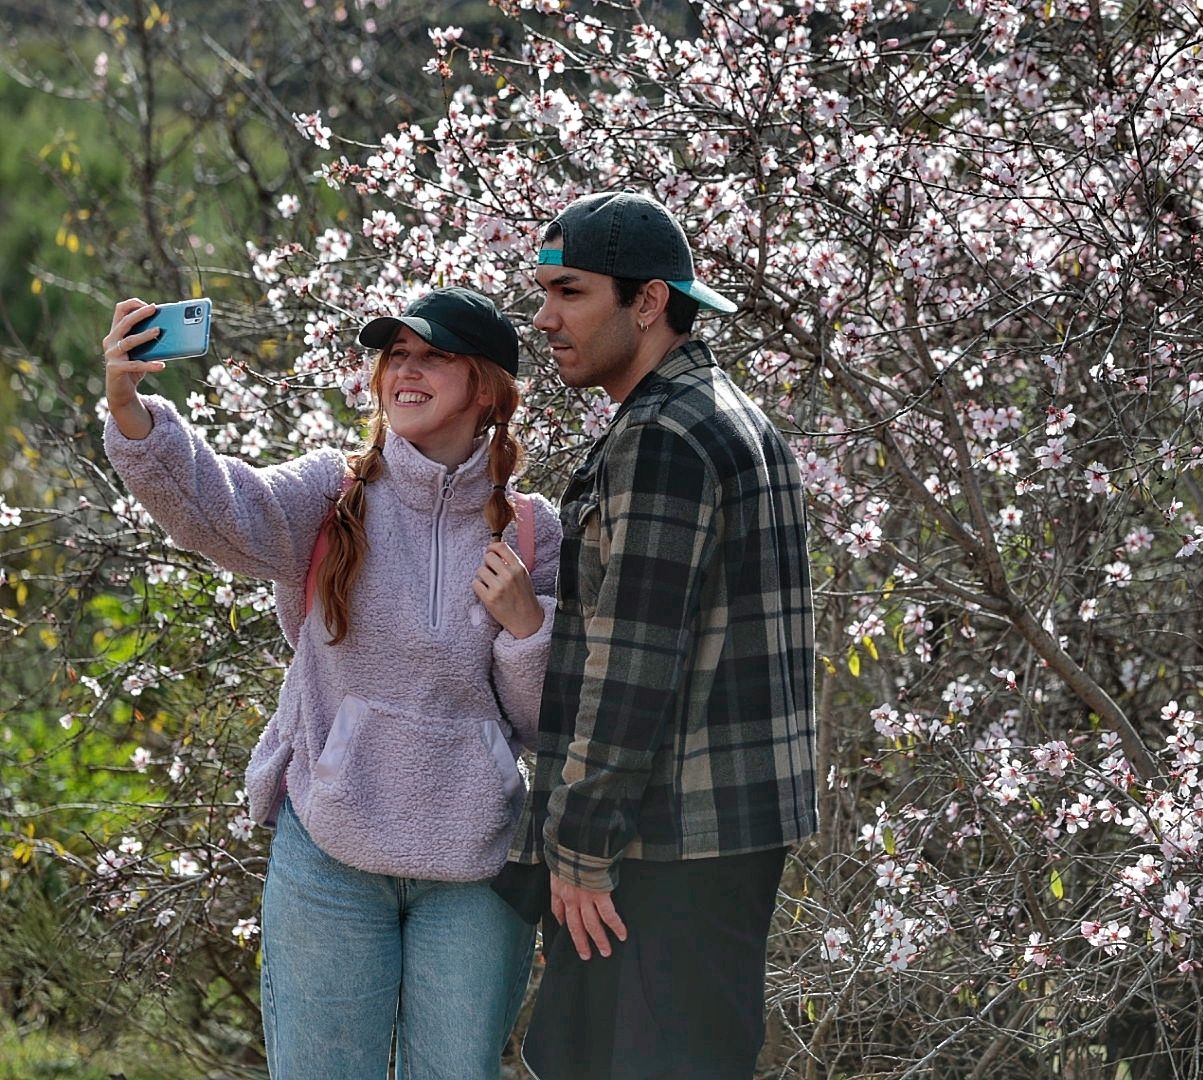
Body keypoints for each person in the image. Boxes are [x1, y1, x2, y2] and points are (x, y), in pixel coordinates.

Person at [101, 286, 561, 1079]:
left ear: (487, 390)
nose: (404, 371)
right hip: (329, 856)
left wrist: (527, 629)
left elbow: (541, 721)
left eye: (433, 356)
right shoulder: (331, 493)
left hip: (476, 869)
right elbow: (218, 508)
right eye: (396, 355)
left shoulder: (531, 530)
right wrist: (129, 408)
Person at [494, 192, 818, 1079]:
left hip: (662, 845)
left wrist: (580, 846)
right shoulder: (725, 412)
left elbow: (632, 664)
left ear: (647, 302)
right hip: (713, 835)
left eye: (569, 292)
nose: (545, 318)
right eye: (545, 293)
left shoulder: (663, 436)